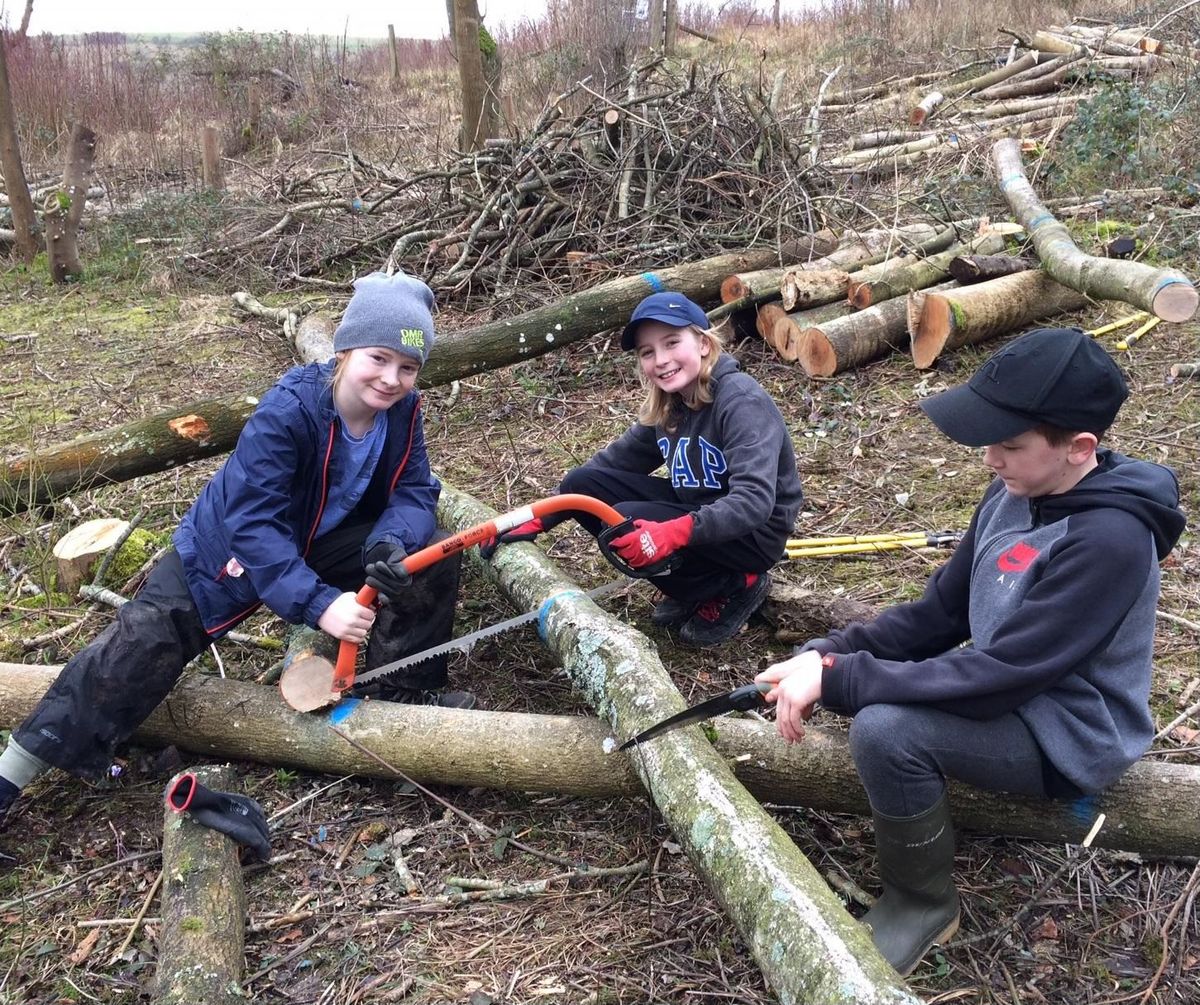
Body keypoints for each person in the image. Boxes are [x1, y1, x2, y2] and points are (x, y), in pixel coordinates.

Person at [754, 327, 1185, 976]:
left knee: (887, 729)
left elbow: (999, 676)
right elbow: (938, 615)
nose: (990, 459)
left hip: (1066, 732)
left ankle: (921, 900)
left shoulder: (1111, 540)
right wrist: (827, 652)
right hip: (1010, 689)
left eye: (1010, 444)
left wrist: (844, 680)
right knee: (875, 696)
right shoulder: (1015, 491)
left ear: (1080, 447)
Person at [0, 271, 473, 828]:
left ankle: (403, 693)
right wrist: (321, 604)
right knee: (142, 645)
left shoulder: (403, 412)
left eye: (408, 367)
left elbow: (417, 490)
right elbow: (252, 525)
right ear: (345, 350)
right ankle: (13, 775)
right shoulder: (289, 411)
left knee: (430, 552)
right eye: (378, 358)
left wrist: (389, 542)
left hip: (322, 539)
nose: (391, 379)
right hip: (227, 548)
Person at [483, 291, 803, 646]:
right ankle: (696, 582)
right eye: (648, 352)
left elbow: (754, 501)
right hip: (700, 512)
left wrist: (672, 533)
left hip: (754, 535)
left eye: (671, 343)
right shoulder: (672, 405)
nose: (661, 359)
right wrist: (543, 515)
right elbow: (610, 465)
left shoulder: (740, 401)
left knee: (625, 518)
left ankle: (733, 585)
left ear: (702, 343)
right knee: (582, 483)